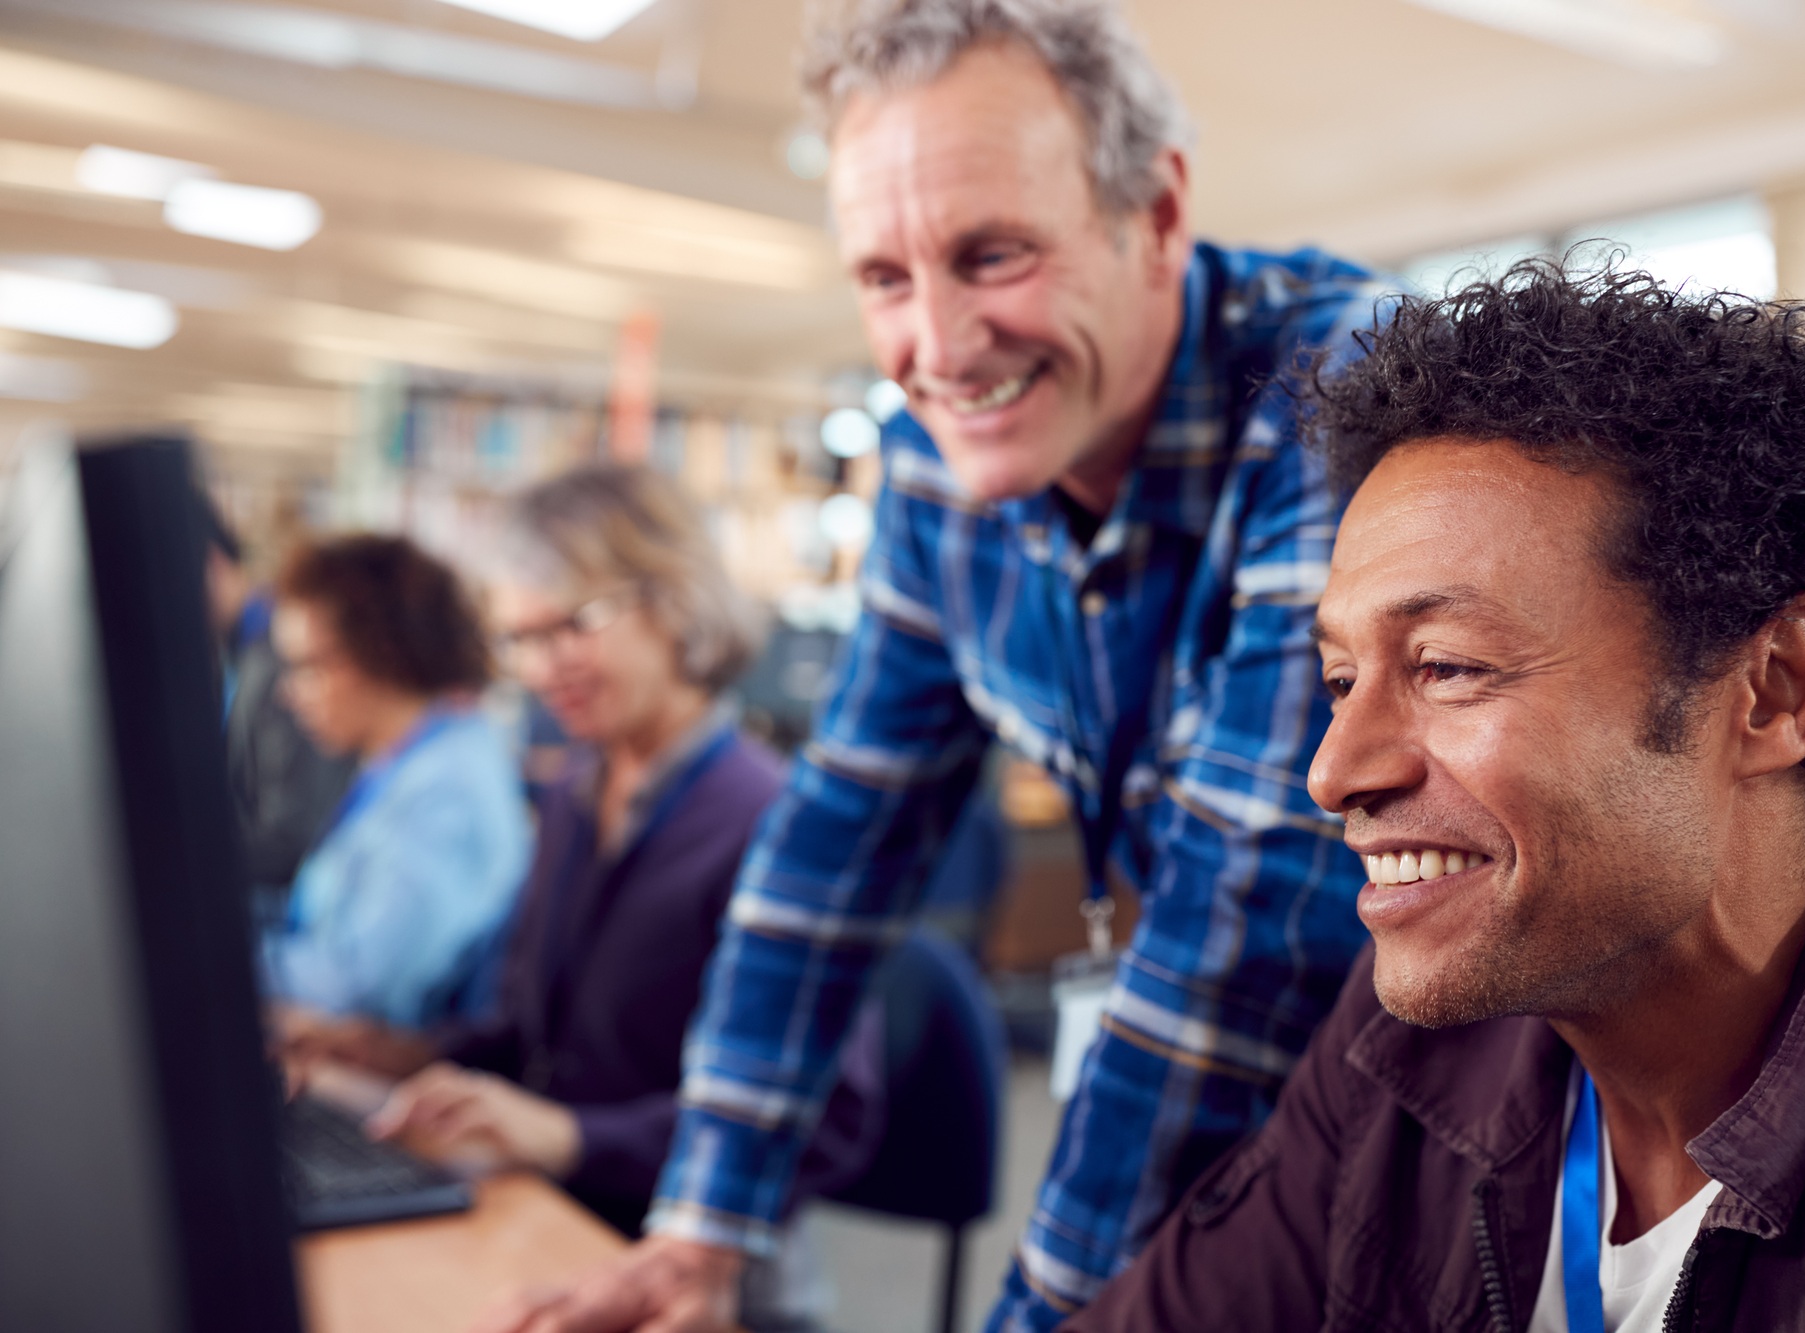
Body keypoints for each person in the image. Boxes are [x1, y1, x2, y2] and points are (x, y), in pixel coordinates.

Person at [492, 3, 1388, 1331]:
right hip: (1238, 1115)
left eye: (994, 255)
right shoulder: (937, 466)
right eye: (885, 280)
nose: (941, 348)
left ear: (1155, 210)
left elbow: (1240, 941)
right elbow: (833, 848)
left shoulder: (1337, 387)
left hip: (1459, 1115)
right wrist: (706, 1222)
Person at [1064, 261, 1805, 1332]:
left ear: (1773, 689)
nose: (1331, 771)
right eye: (1337, 679)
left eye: (1447, 665)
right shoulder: (1405, 1052)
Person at [289, 468, 881, 1329]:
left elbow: (827, 1119)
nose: (539, 667)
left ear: (674, 600)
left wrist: (567, 1135)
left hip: (700, 1268)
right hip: (565, 1214)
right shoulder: (572, 795)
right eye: (519, 639)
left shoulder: (772, 823)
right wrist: (391, 1058)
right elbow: (533, 1033)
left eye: (570, 626)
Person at [263, 534, 531, 1030]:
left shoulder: (447, 789)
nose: (290, 693)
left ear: (381, 652)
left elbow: (360, 988)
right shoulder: (398, 762)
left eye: (309, 667)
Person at [198, 493, 353, 914]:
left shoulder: (281, 663)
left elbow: (292, 836)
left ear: (211, 565)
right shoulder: (234, 655)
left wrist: (182, 856)